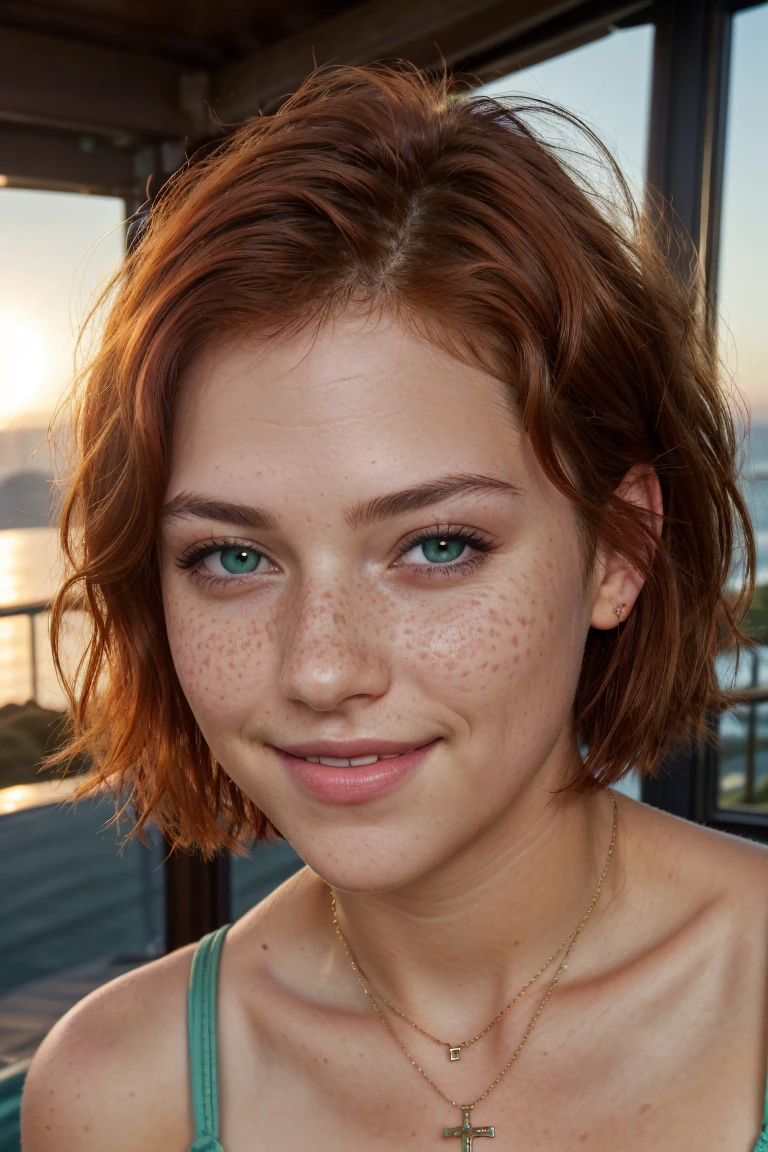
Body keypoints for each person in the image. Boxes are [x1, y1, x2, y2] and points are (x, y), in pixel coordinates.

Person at [21, 63, 768, 1152]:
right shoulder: (120, 1096)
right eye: (234, 556)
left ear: (619, 548)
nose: (320, 670)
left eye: (437, 545)